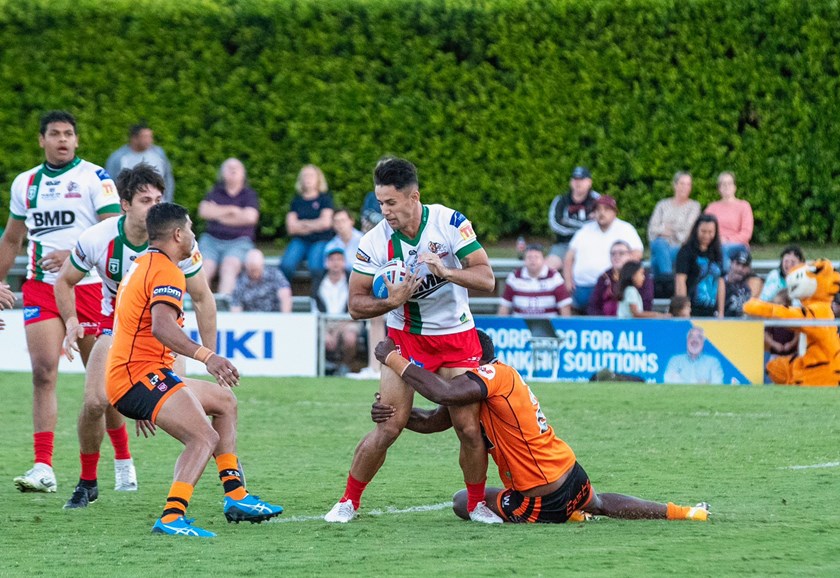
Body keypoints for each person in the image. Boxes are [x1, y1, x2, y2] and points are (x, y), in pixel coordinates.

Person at [370, 331, 710, 524]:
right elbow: (433, 419)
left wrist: (394, 359)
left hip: (541, 495)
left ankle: (566, 515)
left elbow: (441, 391)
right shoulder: (480, 387)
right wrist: (396, 416)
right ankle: (684, 512)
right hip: (568, 471)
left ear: (473, 359)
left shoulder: (490, 376)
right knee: (600, 502)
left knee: (462, 502)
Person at [324, 157, 498, 524]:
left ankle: (477, 503)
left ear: (413, 196)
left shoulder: (450, 223)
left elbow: (486, 279)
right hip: (405, 340)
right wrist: (392, 301)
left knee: (468, 427)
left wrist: (447, 271)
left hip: (458, 339)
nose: (383, 211)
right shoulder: (373, 242)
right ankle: (348, 501)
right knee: (388, 424)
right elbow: (355, 305)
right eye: (379, 203)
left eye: (390, 203)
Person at [106, 203, 282, 537]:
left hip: (139, 374)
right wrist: (207, 356)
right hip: (137, 376)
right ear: (176, 235)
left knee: (224, 403)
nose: (192, 234)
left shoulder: (144, 263)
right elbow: (162, 327)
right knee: (203, 438)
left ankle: (236, 495)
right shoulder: (167, 270)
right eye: (189, 228)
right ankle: (172, 516)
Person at [54, 164, 218, 509]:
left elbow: (203, 299)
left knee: (203, 410)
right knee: (94, 402)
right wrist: (71, 322)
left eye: (159, 199)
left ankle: (231, 487)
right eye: (146, 200)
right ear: (125, 204)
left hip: (165, 335)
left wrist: (210, 356)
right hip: (119, 331)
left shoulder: (179, 239)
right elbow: (64, 280)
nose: (154, 206)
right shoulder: (99, 238)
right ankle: (87, 482)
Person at [0, 111, 121, 493]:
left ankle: (122, 459)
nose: (63, 140)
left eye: (69, 134)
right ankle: (44, 466)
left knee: (102, 387)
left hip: (89, 287)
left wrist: (75, 251)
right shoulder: (27, 184)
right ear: (42, 140)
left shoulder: (95, 177)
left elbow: (117, 227)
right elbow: (11, 239)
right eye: (55, 134)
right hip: (41, 287)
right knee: (43, 372)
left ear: (77, 140)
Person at [563, 195, 644, 312]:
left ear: (614, 212)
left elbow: (637, 254)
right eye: (598, 210)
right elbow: (569, 257)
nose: (601, 213)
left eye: (606, 209)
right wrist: (568, 281)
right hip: (583, 287)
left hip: (612, 286)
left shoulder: (626, 229)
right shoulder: (585, 230)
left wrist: (621, 277)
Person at [196, 158, 260, 299]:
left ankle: (223, 305)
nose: (233, 169)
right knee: (204, 268)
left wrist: (218, 214)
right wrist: (233, 210)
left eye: (236, 167)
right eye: (229, 167)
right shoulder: (215, 192)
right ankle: (198, 305)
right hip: (211, 241)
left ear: (243, 173)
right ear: (222, 173)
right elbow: (204, 211)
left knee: (229, 267)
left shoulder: (249, 195)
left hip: (239, 242)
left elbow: (250, 218)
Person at [279, 164, 335, 284]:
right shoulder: (296, 201)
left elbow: (326, 223)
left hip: (320, 240)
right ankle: (284, 296)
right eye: (305, 176)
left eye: (311, 175)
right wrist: (315, 225)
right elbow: (291, 228)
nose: (307, 178)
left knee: (316, 267)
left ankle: (317, 299)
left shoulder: (325, 199)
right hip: (300, 241)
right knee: (286, 265)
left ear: (318, 179)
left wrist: (303, 224)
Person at [647, 172, 701, 293]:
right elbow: (652, 230)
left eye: (688, 184)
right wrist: (675, 229)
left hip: (679, 247)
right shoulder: (662, 205)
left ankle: (663, 285)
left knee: (656, 260)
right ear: (675, 185)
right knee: (660, 244)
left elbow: (688, 231)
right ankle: (669, 282)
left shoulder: (694, 206)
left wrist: (665, 228)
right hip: (661, 245)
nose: (685, 187)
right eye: (682, 183)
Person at [313, 247, 362, 376]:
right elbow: (315, 309)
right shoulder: (319, 281)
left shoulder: (352, 281)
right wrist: (325, 330)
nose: (335, 263)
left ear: (344, 262)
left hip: (349, 320)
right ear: (327, 263)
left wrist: (337, 329)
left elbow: (356, 307)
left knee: (350, 337)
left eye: (339, 260)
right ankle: (325, 366)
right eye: (332, 260)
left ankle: (345, 365)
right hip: (324, 321)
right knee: (321, 337)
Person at [545, 166, 600, 271]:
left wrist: (568, 222)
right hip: (565, 244)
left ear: (589, 182)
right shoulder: (561, 200)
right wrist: (584, 227)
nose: (578, 183)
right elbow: (555, 224)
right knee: (548, 267)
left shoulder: (597, 200)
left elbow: (603, 221)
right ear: (571, 182)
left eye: (582, 179)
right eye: (575, 179)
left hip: (592, 245)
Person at [106, 122, 175, 203]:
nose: (150, 140)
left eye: (150, 137)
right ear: (134, 138)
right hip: (132, 209)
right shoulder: (118, 158)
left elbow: (168, 178)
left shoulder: (159, 153)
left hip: (158, 208)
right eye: (145, 137)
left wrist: (168, 201)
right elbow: (109, 183)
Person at [498, 244, 572, 317]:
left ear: (543, 259)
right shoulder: (514, 277)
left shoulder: (554, 277)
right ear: (524, 260)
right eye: (529, 257)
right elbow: (504, 306)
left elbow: (564, 306)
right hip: (520, 326)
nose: (532, 260)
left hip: (548, 325)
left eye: (536, 257)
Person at [674, 214, 724, 318]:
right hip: (692, 310)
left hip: (711, 310)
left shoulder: (717, 253)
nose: (707, 235)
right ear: (696, 230)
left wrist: (721, 312)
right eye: (703, 231)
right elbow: (680, 280)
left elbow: (720, 282)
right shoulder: (686, 251)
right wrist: (684, 309)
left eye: (710, 232)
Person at [587, 240, 654, 316]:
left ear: (630, 255)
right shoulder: (604, 277)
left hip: (633, 323)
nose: (616, 256)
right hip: (605, 324)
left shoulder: (641, 275)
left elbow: (646, 303)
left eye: (621, 253)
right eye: (613, 254)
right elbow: (593, 305)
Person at [703, 172, 754, 270]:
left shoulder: (744, 206)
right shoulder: (711, 207)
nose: (726, 186)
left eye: (729, 183)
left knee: (723, 249)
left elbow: (746, 234)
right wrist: (715, 241)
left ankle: (725, 281)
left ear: (735, 187)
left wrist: (726, 240)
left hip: (738, 246)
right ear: (719, 188)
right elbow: (703, 228)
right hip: (714, 244)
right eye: (723, 184)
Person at [229, 248, 292, 313]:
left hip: (273, 317)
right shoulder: (240, 281)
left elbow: (285, 296)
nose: (254, 273)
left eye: (256, 270)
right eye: (252, 270)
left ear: (262, 265)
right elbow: (235, 306)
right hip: (250, 320)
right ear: (246, 266)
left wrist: (284, 319)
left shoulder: (274, 275)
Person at [723, 248, 763, 318]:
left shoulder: (749, 285)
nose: (740, 269)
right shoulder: (720, 283)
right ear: (731, 263)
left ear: (749, 269)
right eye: (737, 264)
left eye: (744, 266)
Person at [324, 207, 364, 274]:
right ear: (333, 224)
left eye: (343, 220)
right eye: (336, 221)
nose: (340, 224)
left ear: (352, 221)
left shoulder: (364, 240)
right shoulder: (330, 246)